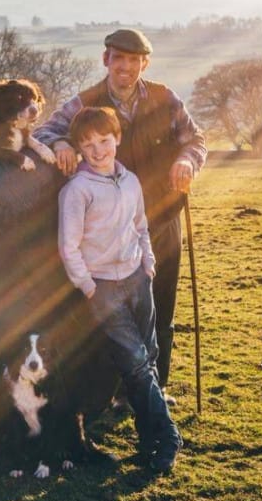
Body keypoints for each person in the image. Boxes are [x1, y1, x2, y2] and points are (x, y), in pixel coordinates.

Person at [35, 28, 206, 403]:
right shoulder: (86, 102)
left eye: (134, 60)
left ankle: (155, 389)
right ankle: (111, 391)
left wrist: (185, 160)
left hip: (161, 218)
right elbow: (44, 130)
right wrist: (62, 142)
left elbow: (195, 139)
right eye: (118, 58)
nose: (125, 67)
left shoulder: (165, 99)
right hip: (107, 229)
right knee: (111, 310)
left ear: (144, 63)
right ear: (105, 60)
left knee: (160, 304)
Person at [57, 106, 181, 473]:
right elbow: (69, 246)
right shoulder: (77, 191)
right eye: (88, 145)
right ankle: (169, 436)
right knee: (136, 361)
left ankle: (148, 442)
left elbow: (141, 225)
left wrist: (148, 261)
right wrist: (88, 286)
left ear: (117, 139)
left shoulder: (130, 181)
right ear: (79, 148)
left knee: (150, 354)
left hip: (137, 278)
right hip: (104, 288)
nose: (98, 151)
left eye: (104, 141)